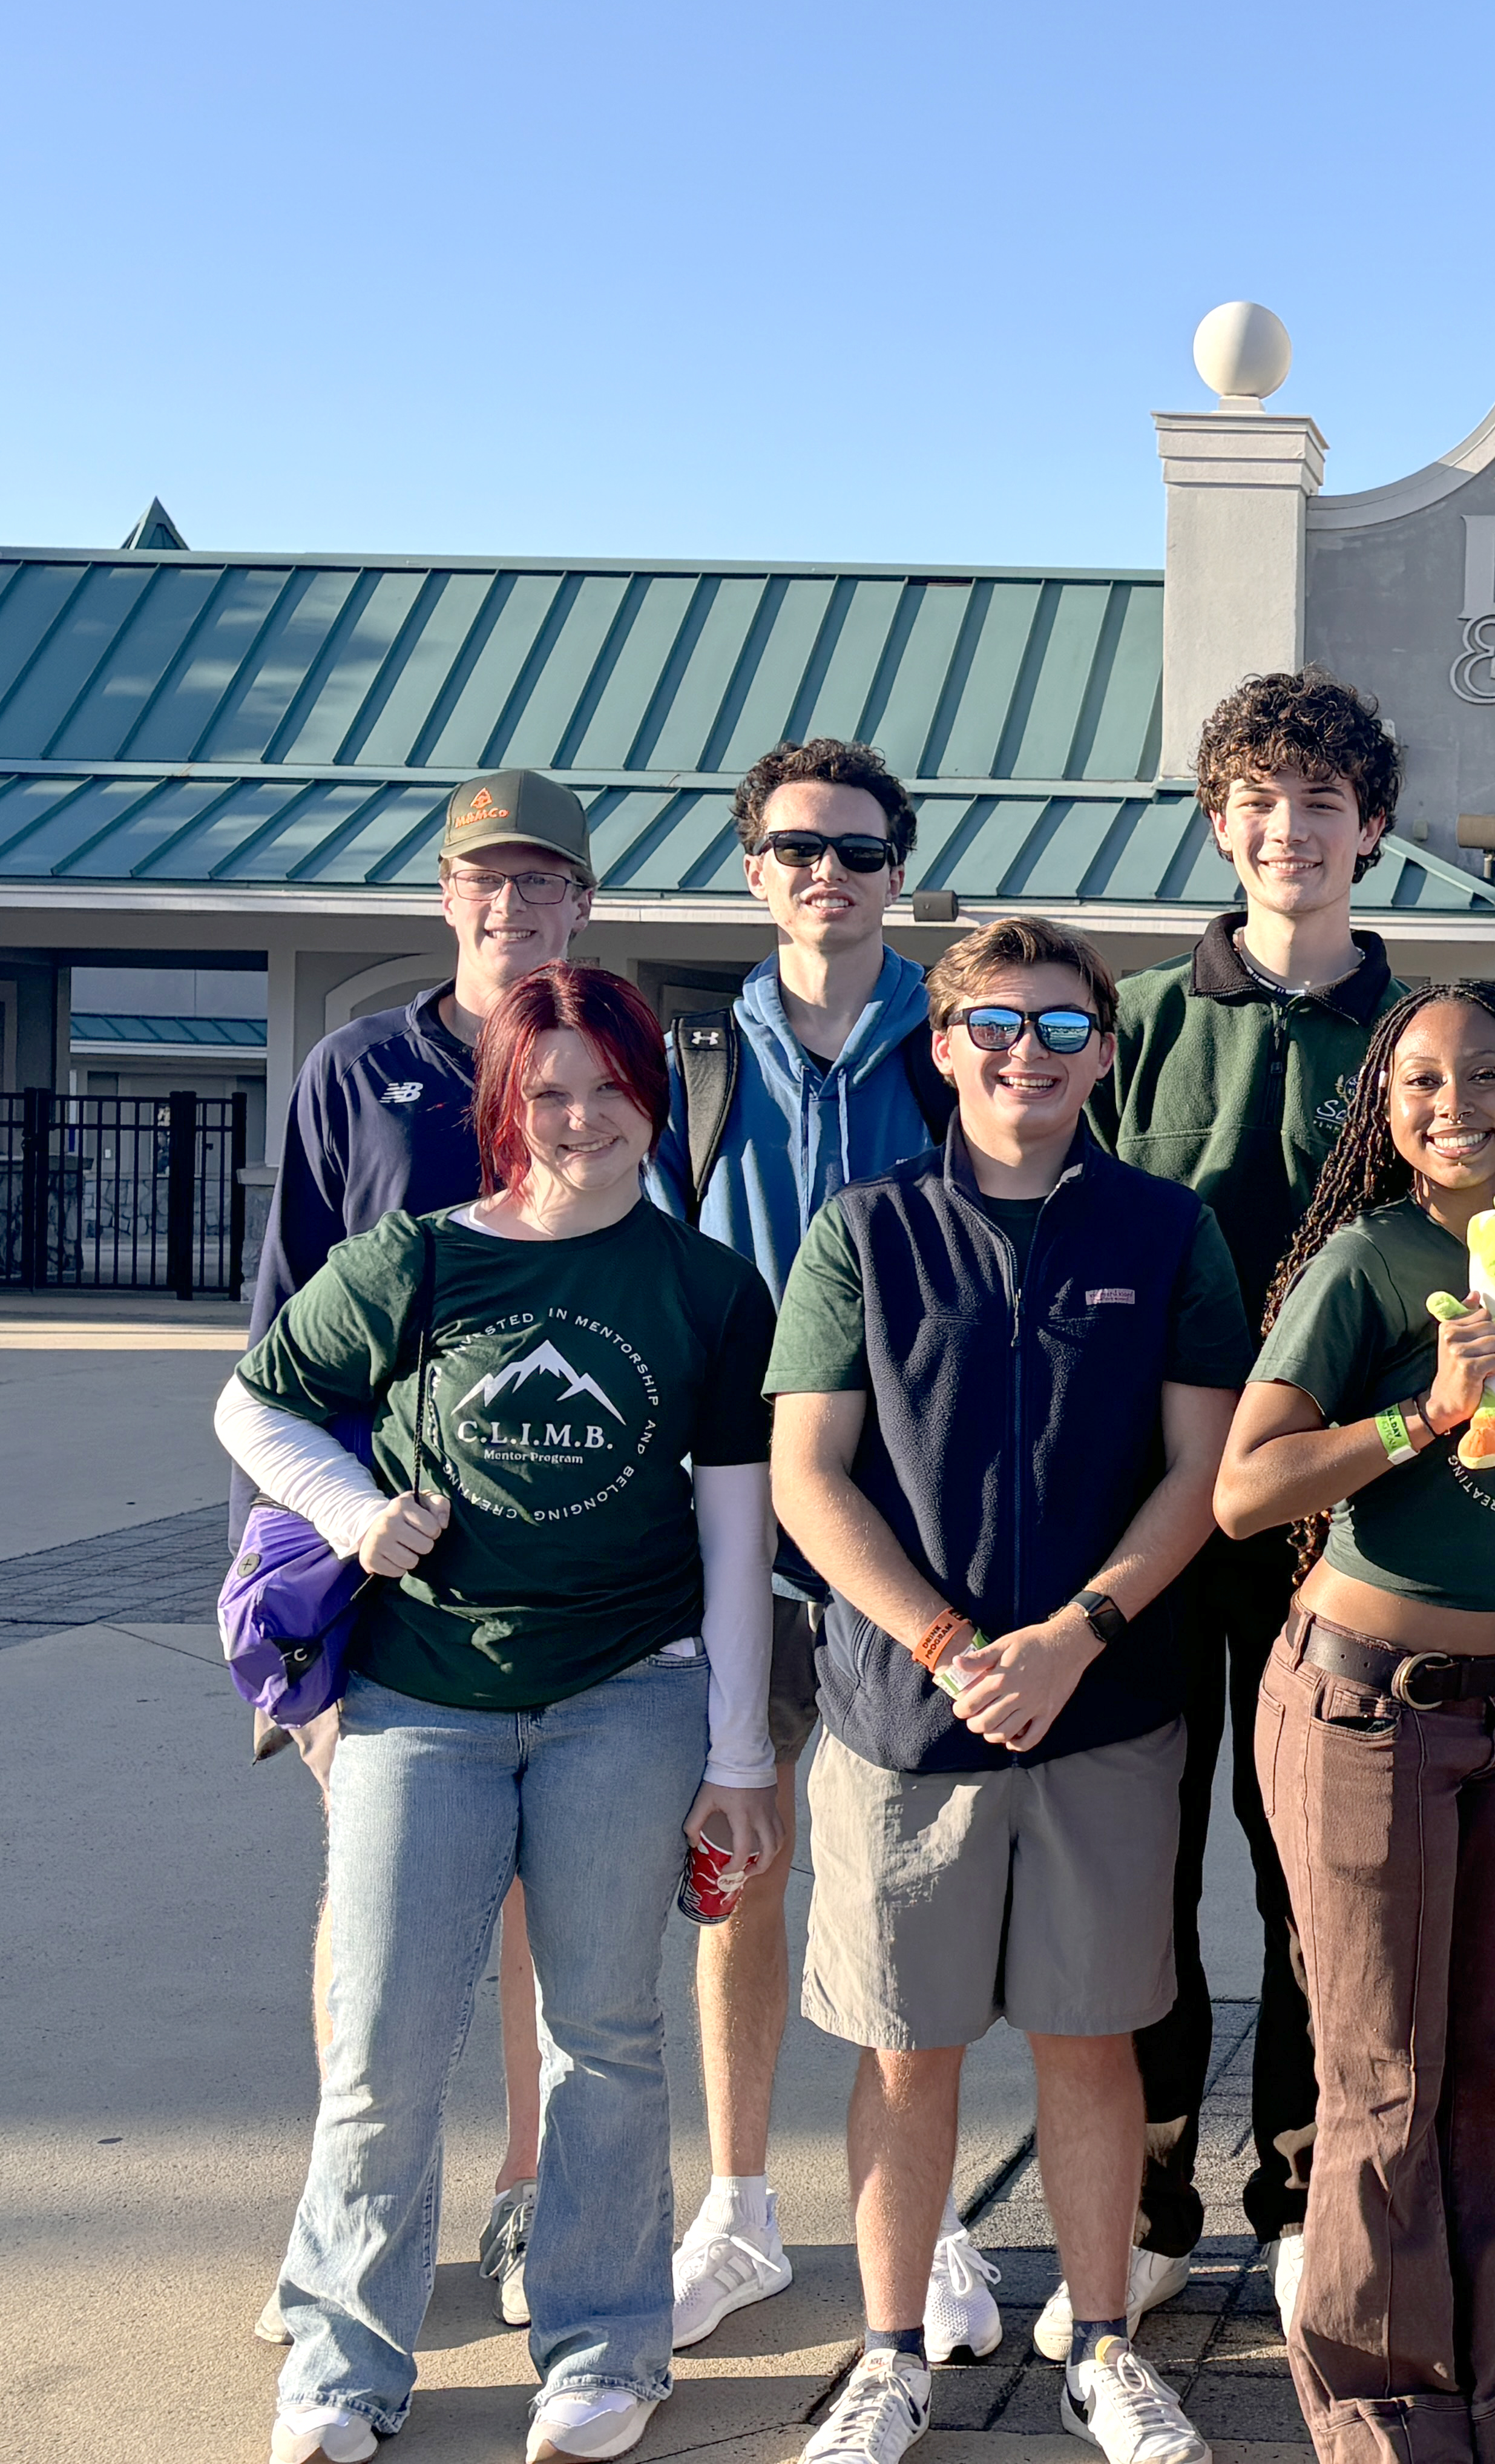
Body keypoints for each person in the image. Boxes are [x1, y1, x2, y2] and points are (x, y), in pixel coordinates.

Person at [221, 960, 781, 2464]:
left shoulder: (707, 1288)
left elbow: (737, 1534)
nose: (583, 1119)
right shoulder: (419, 1261)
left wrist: (737, 1757)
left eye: (612, 1088)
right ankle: (344, 2366)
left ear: (652, 1099)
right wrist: (350, 1514)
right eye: (550, 1091)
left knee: (605, 2033)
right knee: (386, 2042)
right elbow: (255, 1399)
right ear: (505, 1101)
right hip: (424, 1699)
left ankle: (604, 2350)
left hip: (628, 1698)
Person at [771, 917, 1247, 2464]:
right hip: (906, 1722)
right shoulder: (865, 1228)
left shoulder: (1168, 1232)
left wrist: (1076, 1636)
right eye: (992, 1024)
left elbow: (1204, 1471)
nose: (1023, 1055)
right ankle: (891, 2357)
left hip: (1105, 1713)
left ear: (1105, 1052)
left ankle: (1103, 2347)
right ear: (943, 1041)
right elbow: (808, 1476)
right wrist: (946, 1644)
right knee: (905, 2050)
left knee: (1089, 2042)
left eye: (1059, 1029)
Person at [1214, 981, 1495, 2464]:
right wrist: (1421, 1416)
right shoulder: (1367, 1260)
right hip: (1364, 1713)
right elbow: (1245, 1491)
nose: (1456, 1103)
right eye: (1423, 1080)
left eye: (1489, 1077)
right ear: (1384, 1110)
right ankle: (1386, 2423)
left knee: (1493, 2080)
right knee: (1380, 2086)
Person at [243, 765, 603, 2347]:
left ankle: (531, 2196)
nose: (509, 903)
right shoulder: (354, 1068)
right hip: (376, 1561)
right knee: (370, 1905)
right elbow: (282, 1345)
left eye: (539, 881)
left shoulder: (601, 1066)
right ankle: (346, 2220)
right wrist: (292, 1568)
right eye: (483, 879)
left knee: (540, 1901)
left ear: (581, 900)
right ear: (445, 893)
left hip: (559, 1558)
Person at [1085, 667, 1408, 2333]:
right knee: (1144, 1860)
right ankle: (1147, 2186)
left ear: (1374, 827)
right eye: (1259, 803)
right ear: (1222, 824)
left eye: (1322, 803)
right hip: (1159, 1511)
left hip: (1340, 1524)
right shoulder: (1137, 1015)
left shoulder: (1417, 1036)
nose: (1292, 831)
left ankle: (1297, 2182)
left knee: (1311, 1872)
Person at [643, 736, 959, 2357]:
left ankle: (927, 2216)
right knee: (740, 1879)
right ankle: (744, 2205)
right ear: (750, 867)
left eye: (855, 846)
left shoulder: (959, 1040)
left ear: (898, 864)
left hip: (918, 1537)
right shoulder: (686, 1058)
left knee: (908, 1887)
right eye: (793, 846)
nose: (824, 870)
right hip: (740, 1543)